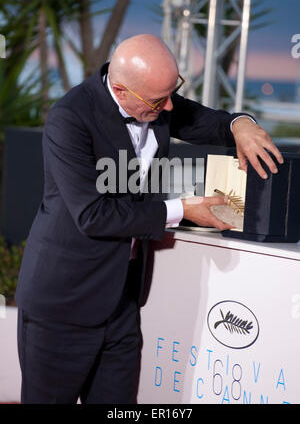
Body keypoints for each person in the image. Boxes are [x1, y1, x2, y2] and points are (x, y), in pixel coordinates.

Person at [15, 34, 283, 404]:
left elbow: (208, 122)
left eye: (173, 92)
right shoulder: (70, 118)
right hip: (63, 303)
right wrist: (185, 210)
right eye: (159, 100)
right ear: (121, 90)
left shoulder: (156, 99)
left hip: (122, 300)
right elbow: (94, 215)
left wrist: (241, 123)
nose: (170, 105)